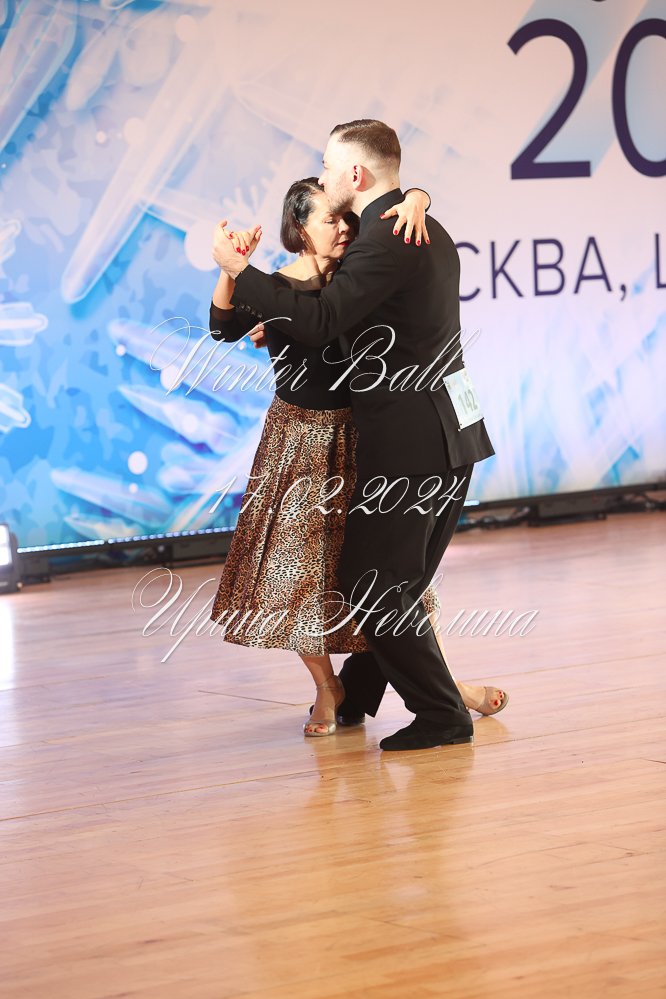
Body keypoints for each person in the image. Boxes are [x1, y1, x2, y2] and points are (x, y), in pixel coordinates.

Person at [212, 120, 498, 752]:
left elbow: (321, 320)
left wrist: (239, 268)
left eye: (328, 165)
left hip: (415, 441)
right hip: (451, 435)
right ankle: (362, 695)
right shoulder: (418, 225)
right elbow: (304, 315)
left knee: (374, 584)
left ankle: (442, 714)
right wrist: (419, 194)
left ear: (356, 175)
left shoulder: (387, 238)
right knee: (394, 582)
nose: (324, 175)